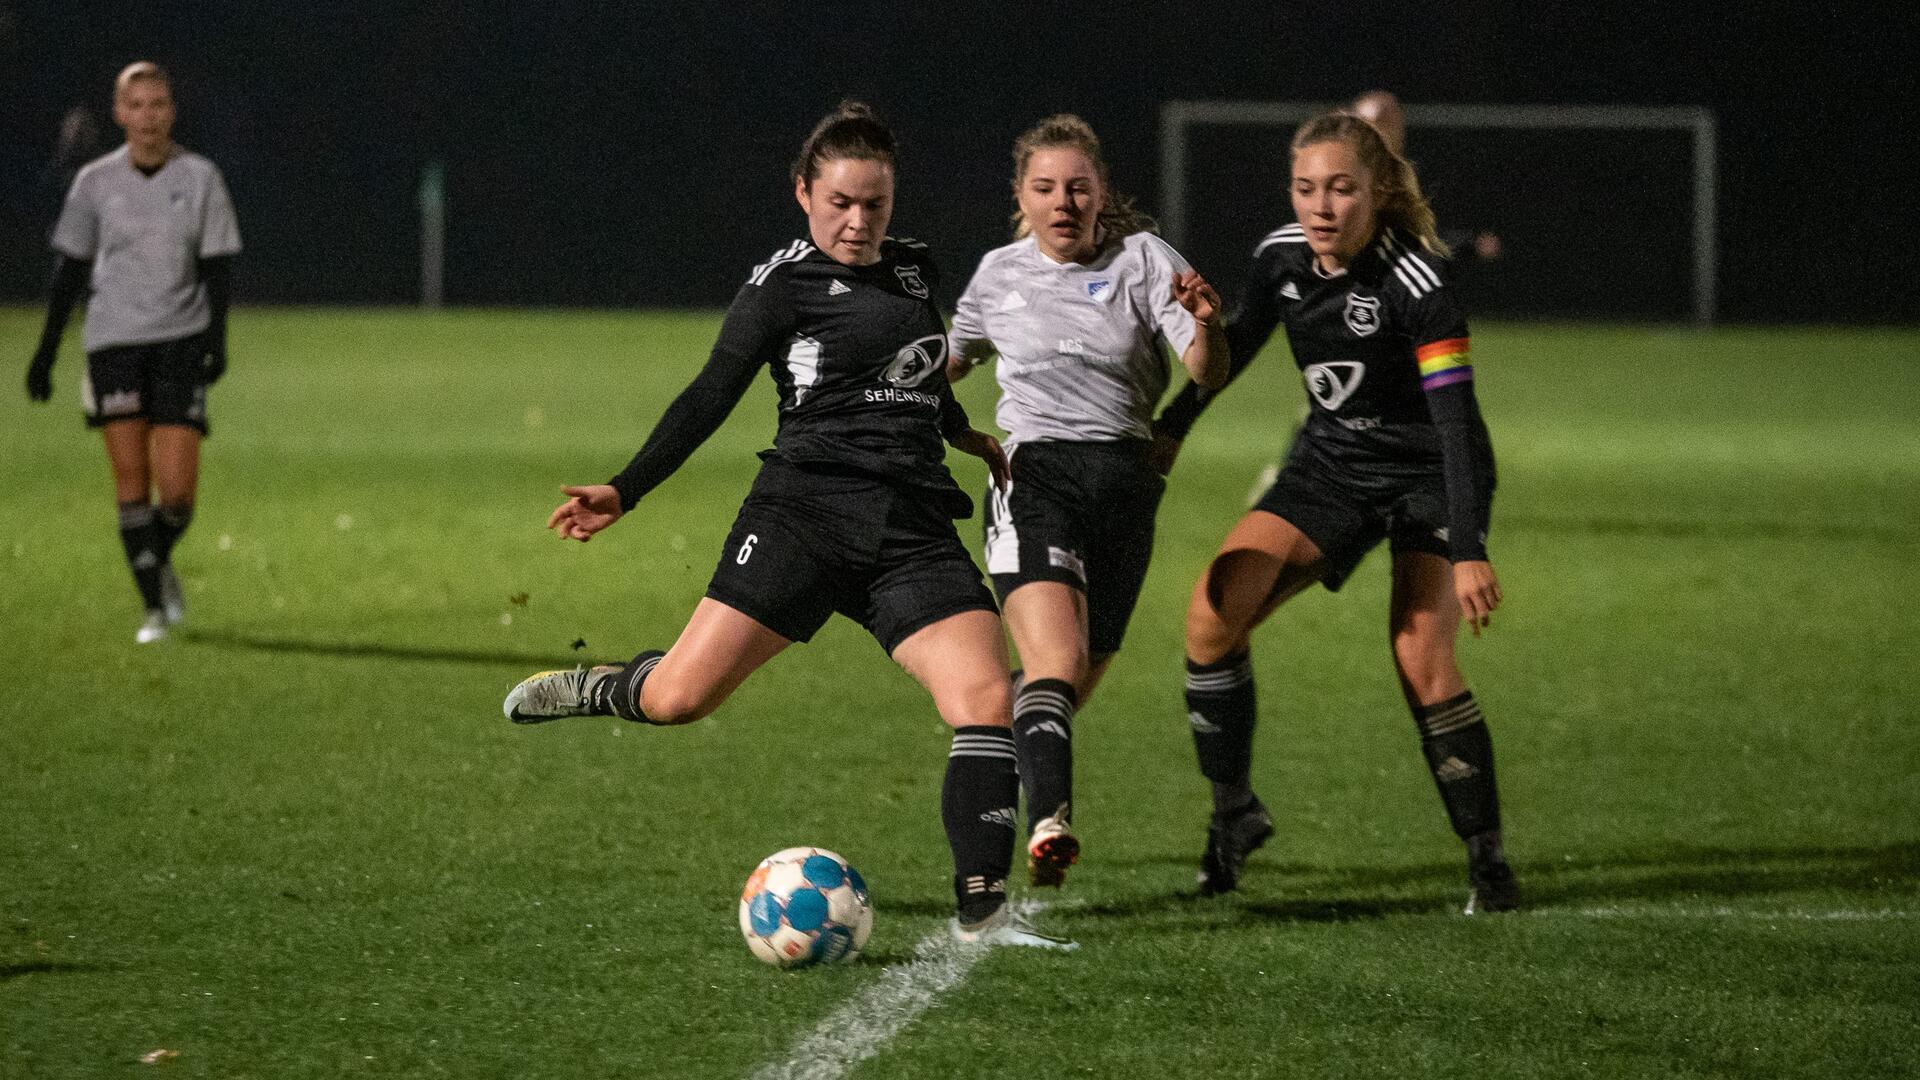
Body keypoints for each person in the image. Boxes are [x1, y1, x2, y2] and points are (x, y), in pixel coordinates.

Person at [500, 103, 1074, 950]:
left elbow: (917, 376)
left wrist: (966, 436)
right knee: (680, 699)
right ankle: (607, 686)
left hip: (910, 528)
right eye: (840, 202)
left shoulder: (915, 270)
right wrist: (625, 490)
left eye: (874, 204)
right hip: (803, 515)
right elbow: (707, 396)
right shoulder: (780, 287)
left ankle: (982, 914)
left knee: (986, 697)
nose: (857, 221)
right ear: (804, 193)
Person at [1162, 112, 1519, 913]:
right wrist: (1172, 429)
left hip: (1426, 473)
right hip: (1330, 468)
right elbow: (1239, 345)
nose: (1321, 207)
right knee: (1212, 614)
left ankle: (1488, 863)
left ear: (1379, 192)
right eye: (1306, 188)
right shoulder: (1280, 258)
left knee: (1420, 657)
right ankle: (1234, 816)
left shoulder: (1418, 282)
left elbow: (1457, 426)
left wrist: (1467, 546)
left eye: (1342, 189)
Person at [945, 114, 1228, 888]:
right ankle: (1050, 823)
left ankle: (982, 761)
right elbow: (951, 362)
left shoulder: (1144, 261)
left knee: (1060, 690)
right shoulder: (998, 274)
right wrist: (894, 398)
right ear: (1021, 197)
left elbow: (1204, 369)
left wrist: (1207, 326)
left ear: (1102, 193)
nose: (1063, 202)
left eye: (1078, 187)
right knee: (1057, 664)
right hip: (1034, 481)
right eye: (1045, 188)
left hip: (1126, 492)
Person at [25, 62, 240, 644]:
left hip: (179, 339)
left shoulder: (200, 177)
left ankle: (154, 560)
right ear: (120, 114)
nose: (149, 117)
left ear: (172, 110)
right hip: (114, 342)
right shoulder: (94, 182)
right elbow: (68, 271)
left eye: (159, 104)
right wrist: (45, 353)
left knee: (176, 495)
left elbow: (217, 268)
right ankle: (153, 610)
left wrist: (217, 341)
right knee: (131, 484)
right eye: (137, 106)